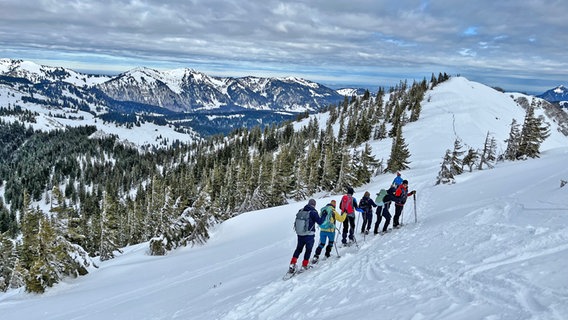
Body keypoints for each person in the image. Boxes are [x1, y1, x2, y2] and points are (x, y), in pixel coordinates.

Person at [289, 199, 326, 273]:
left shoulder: (301, 211)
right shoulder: (313, 212)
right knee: (308, 250)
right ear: (314, 205)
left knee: (298, 249)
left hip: (300, 234)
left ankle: (292, 264)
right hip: (309, 234)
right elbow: (320, 222)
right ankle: (304, 265)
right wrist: (324, 215)